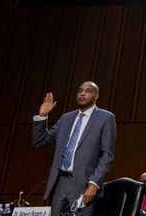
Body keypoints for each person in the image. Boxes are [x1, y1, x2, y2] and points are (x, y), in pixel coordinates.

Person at [32, 81, 117, 216]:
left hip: (85, 184)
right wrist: (42, 116)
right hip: (60, 182)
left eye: (88, 91)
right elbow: (40, 141)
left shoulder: (106, 118)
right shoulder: (66, 118)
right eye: (80, 90)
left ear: (96, 96)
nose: (82, 93)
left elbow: (107, 155)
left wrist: (94, 184)